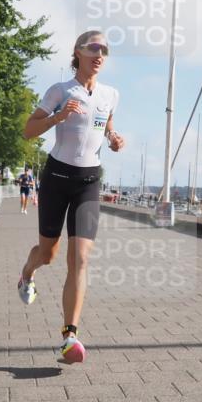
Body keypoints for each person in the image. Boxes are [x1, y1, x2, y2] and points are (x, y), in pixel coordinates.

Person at [16, 30, 125, 362]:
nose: (100, 53)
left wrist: (113, 138)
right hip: (57, 177)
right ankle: (27, 273)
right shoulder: (60, 90)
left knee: (80, 259)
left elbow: (105, 125)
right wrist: (58, 116)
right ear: (77, 52)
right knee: (49, 254)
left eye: (104, 49)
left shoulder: (110, 94)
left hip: (89, 180)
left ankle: (69, 336)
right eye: (94, 47)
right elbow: (28, 130)